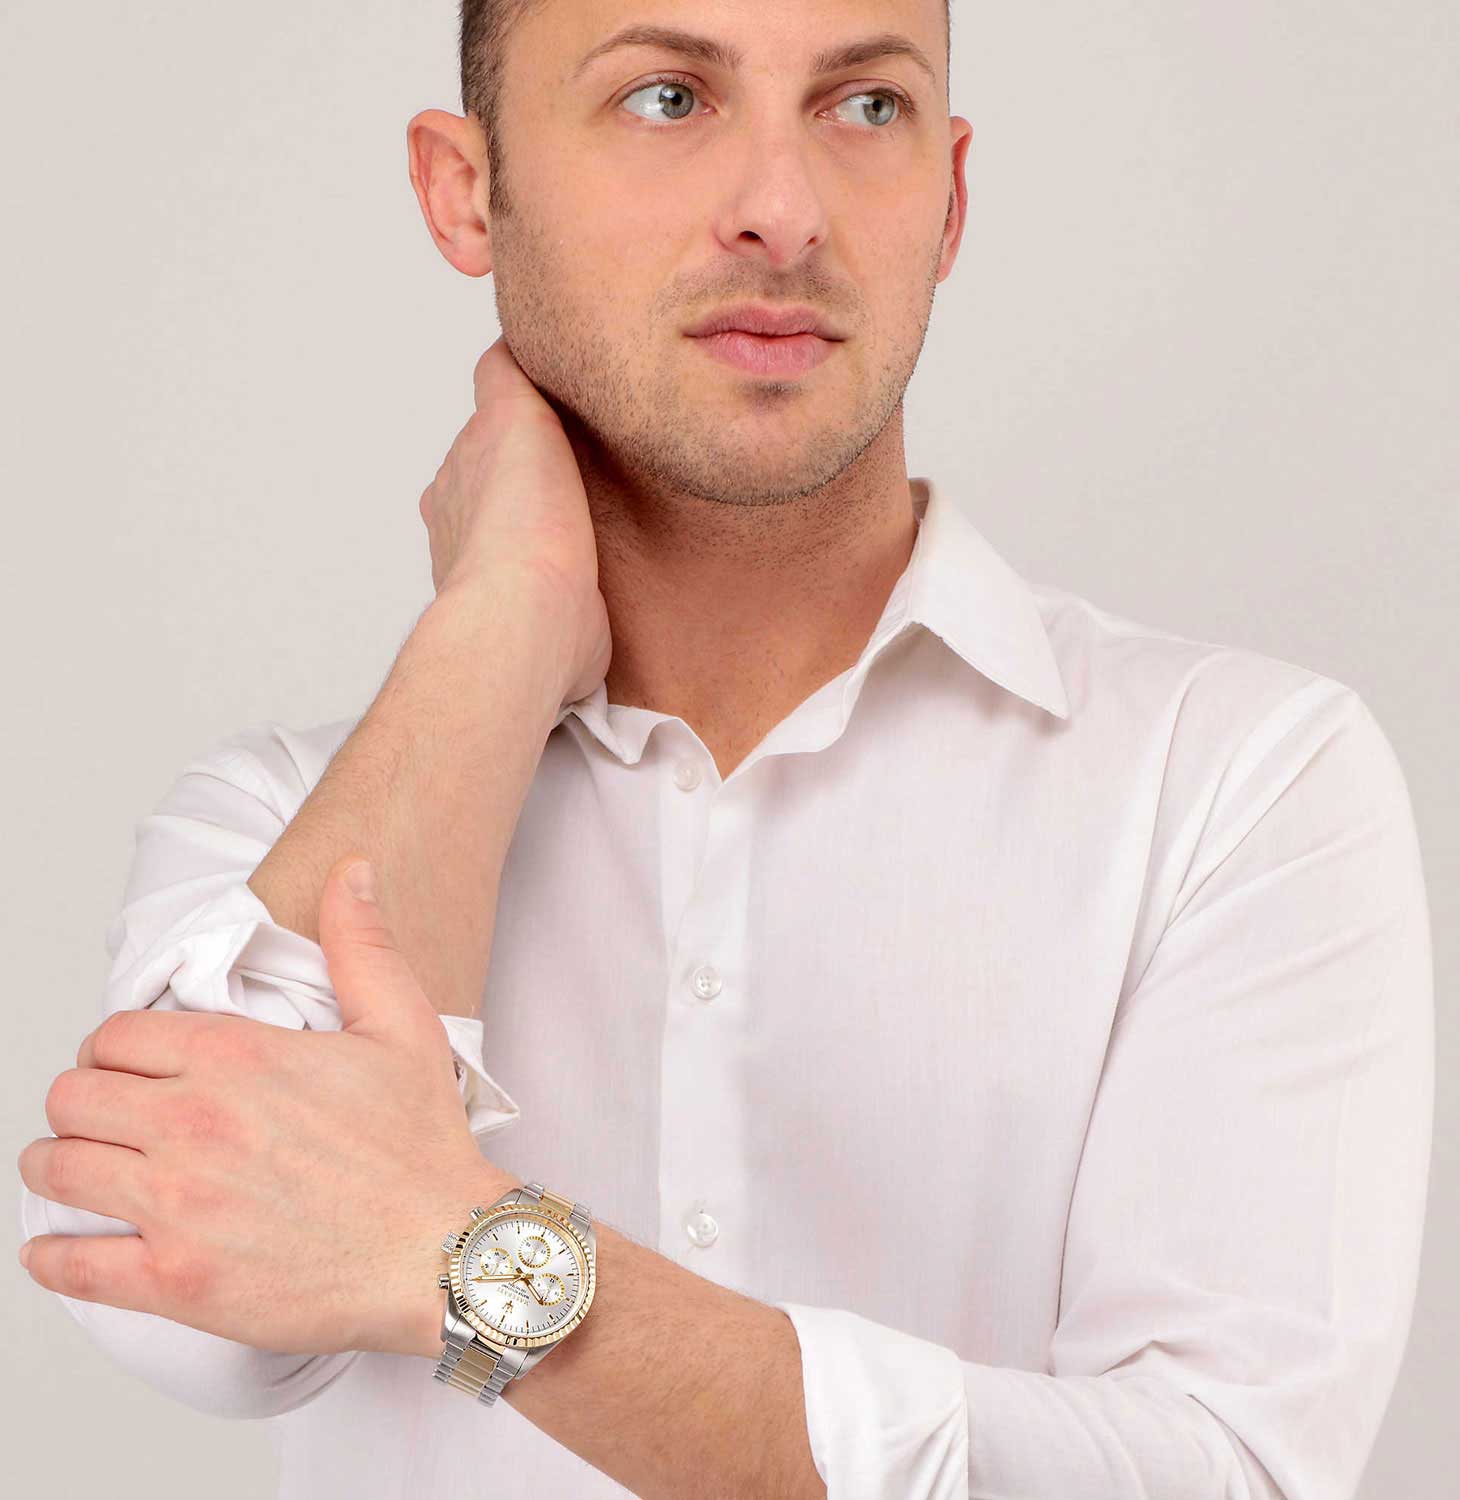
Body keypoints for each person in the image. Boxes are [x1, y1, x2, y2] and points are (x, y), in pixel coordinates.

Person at [16, 3, 1433, 1497]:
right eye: (667, 98)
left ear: (950, 200)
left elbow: (1225, 1474)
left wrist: (468, 1257)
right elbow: (186, 1313)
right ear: (466, 191)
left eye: (866, 107)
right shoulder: (281, 815)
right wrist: (502, 623)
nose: (782, 211)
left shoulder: (1232, 785)